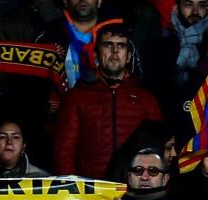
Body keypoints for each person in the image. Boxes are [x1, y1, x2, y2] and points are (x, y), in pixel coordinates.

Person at [52, 23, 162, 178]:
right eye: (108, 45)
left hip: (135, 191)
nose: (115, 50)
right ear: (96, 55)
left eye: (121, 46)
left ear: (129, 56)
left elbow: (158, 150)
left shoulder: (146, 99)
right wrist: (74, 193)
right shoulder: (76, 97)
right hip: (91, 192)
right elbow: (64, 153)